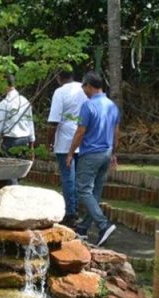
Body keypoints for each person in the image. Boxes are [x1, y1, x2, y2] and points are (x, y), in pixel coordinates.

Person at [66, 71, 120, 247]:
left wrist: (70, 153)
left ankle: (104, 225)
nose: (84, 91)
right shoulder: (112, 106)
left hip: (90, 154)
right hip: (106, 152)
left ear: (89, 85)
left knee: (83, 190)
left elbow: (80, 131)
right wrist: (113, 153)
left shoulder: (88, 106)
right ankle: (83, 228)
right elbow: (116, 132)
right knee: (95, 192)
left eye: (84, 87)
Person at [48, 70, 88, 226]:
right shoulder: (83, 89)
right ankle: (76, 209)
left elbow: (54, 120)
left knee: (68, 178)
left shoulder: (60, 92)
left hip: (65, 142)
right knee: (77, 178)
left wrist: (49, 142)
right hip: (83, 139)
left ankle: (70, 213)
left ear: (59, 77)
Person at [0, 74, 35, 159]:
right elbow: (30, 123)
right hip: (25, 140)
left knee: (8, 167)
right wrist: (31, 144)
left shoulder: (4, 104)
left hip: (10, 141)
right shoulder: (25, 101)